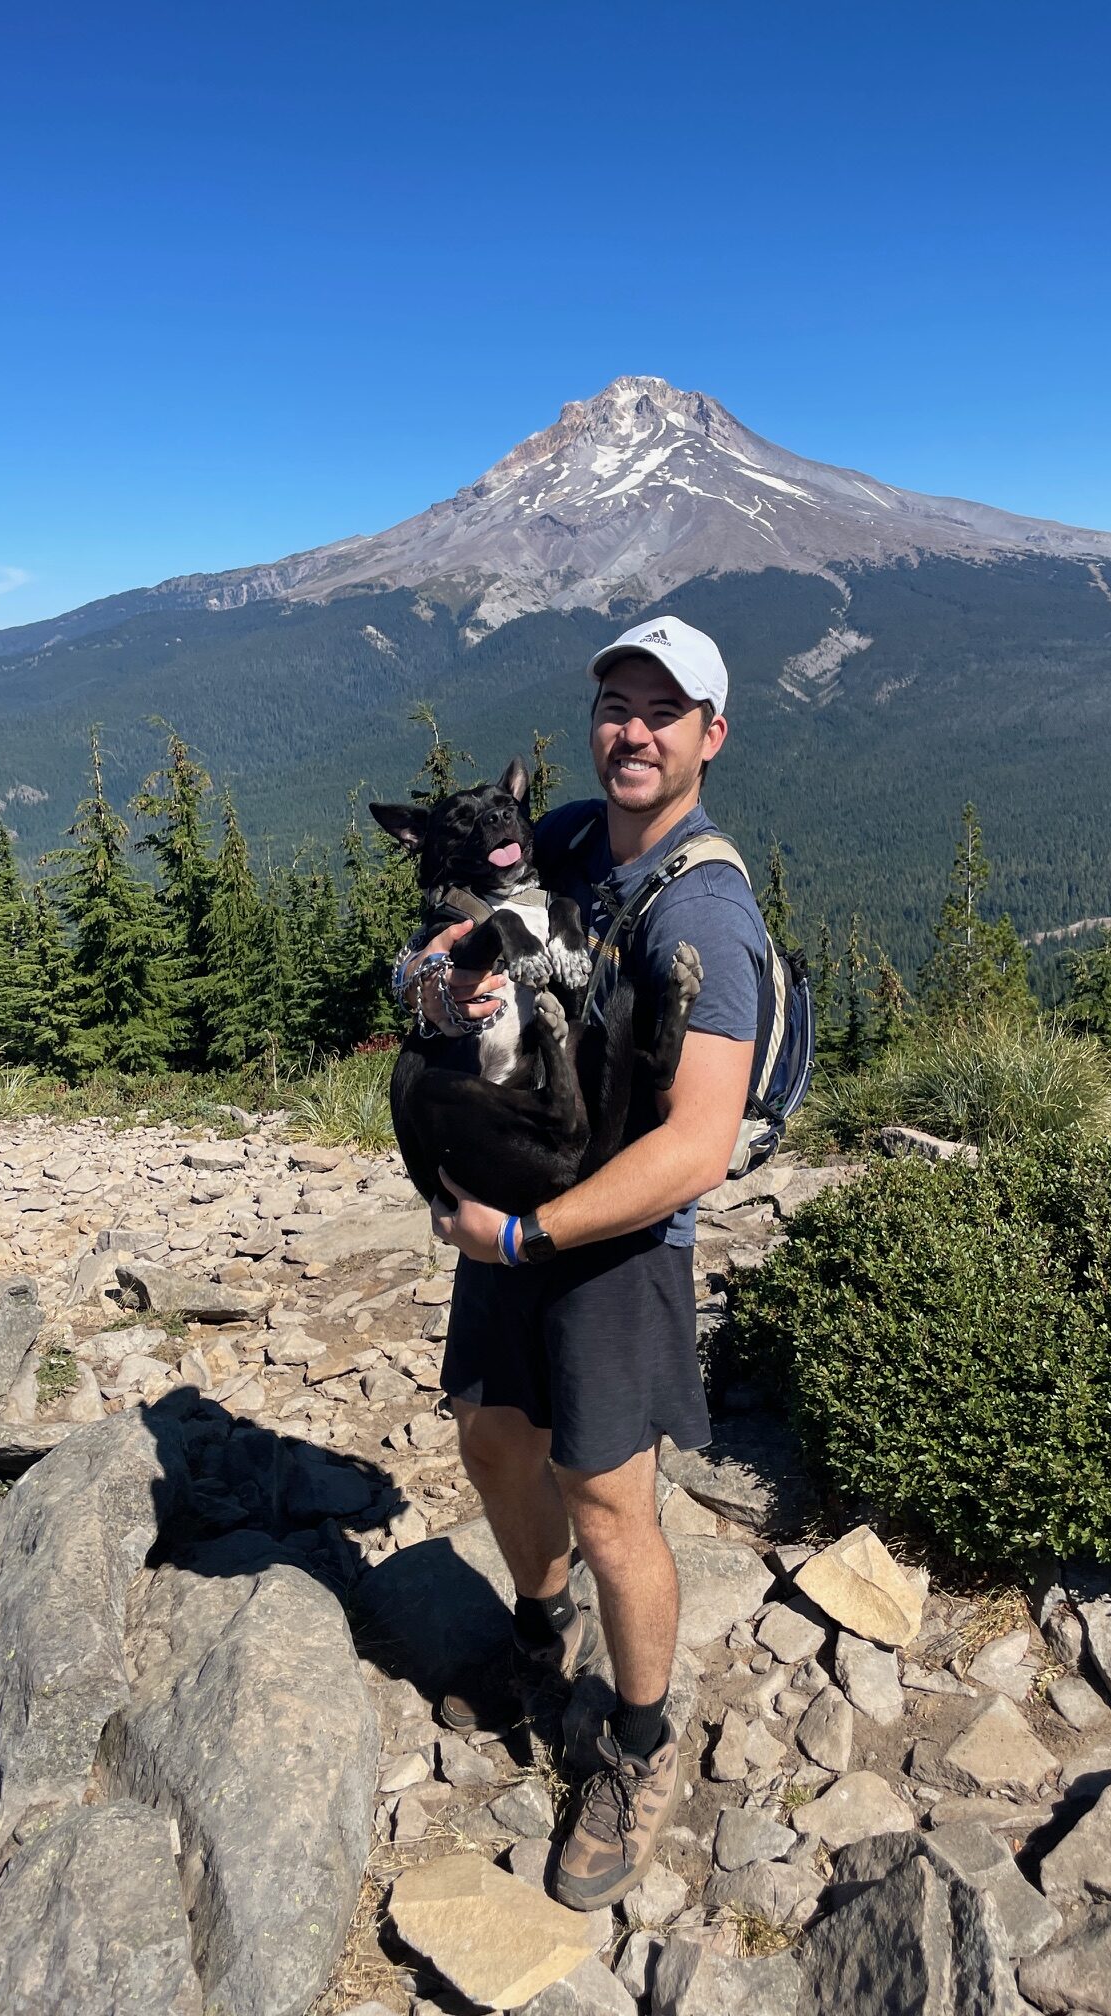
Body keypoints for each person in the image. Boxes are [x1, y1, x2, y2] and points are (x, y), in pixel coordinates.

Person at [395, 615, 767, 1909]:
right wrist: (432, 991)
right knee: (494, 1434)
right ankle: (539, 1626)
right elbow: (448, 958)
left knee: (611, 1501)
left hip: (609, 1244)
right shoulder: (552, 840)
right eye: (617, 704)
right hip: (523, 1191)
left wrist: (530, 1235)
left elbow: (700, 1147)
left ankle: (642, 1741)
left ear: (710, 737)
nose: (635, 731)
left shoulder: (709, 918)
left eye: (665, 712)